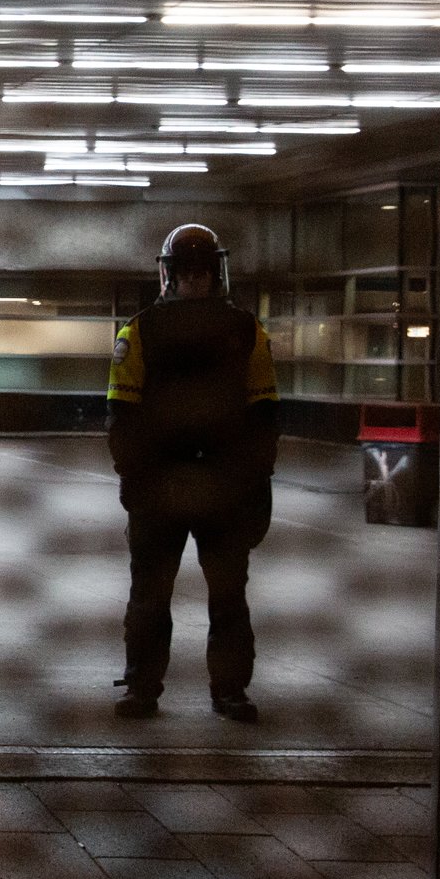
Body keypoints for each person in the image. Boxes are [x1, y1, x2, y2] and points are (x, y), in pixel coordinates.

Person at [106, 223, 279, 723]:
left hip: (223, 486)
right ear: (171, 275)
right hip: (163, 486)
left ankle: (229, 690)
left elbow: (265, 413)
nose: (195, 283)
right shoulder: (140, 331)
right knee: (150, 596)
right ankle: (142, 686)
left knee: (228, 598)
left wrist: (256, 480)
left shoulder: (246, 331)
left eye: (202, 274)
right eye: (188, 274)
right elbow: (121, 414)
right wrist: (134, 478)